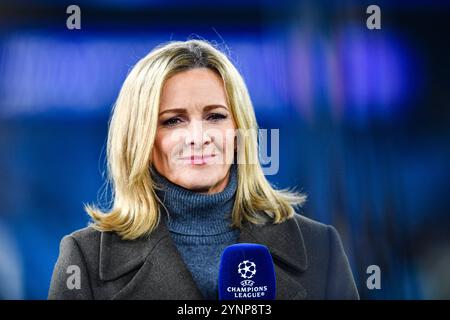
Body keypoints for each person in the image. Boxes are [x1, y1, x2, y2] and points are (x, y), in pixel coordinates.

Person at [48, 39, 359, 300]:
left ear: (240, 129)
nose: (199, 138)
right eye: (173, 120)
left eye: (215, 116)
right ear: (140, 138)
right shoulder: (85, 259)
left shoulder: (321, 248)